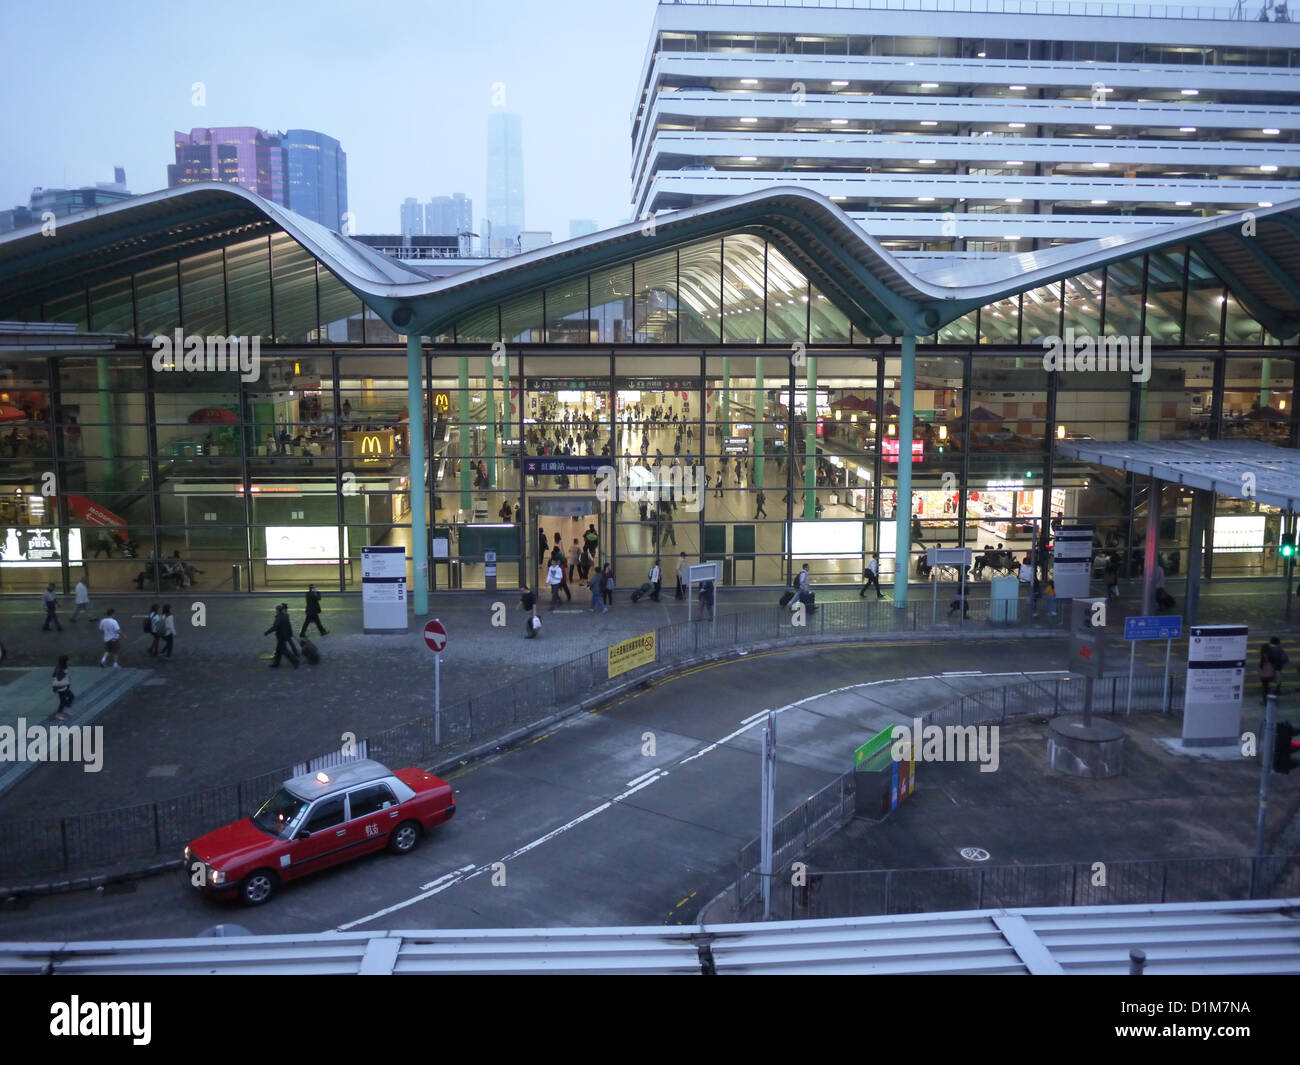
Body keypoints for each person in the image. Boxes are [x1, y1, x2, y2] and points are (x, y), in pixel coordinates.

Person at [265, 603, 299, 669]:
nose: (275, 611)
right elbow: (289, 626)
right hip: (284, 636)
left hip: (281, 636)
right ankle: (276, 663)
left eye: (276, 610)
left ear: (278, 610)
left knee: (284, 651)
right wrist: (290, 633)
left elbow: (275, 627)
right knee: (278, 651)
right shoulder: (285, 616)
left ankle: (295, 661)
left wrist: (267, 632)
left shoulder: (279, 618)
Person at [1262, 636, 1289, 703]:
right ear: (1278, 642)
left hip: (1267, 670)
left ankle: (1265, 700)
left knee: (1265, 686)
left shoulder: (1266, 648)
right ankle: (1276, 693)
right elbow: (1285, 659)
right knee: (1278, 681)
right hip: (1277, 669)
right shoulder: (1280, 649)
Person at [52, 655, 74, 721]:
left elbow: (53, 675)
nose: (68, 661)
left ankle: (65, 709)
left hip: (64, 686)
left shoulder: (62, 666)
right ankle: (59, 714)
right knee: (64, 701)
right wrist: (64, 673)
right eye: (67, 660)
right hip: (61, 688)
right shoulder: (60, 669)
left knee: (70, 697)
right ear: (64, 661)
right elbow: (58, 678)